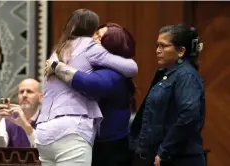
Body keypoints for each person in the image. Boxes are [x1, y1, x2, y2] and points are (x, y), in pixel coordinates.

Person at [36, 9, 138, 166]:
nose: (94, 39)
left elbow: (93, 83)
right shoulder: (86, 50)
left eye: (101, 36)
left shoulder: (59, 51)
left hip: (48, 132)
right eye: (95, 34)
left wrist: (57, 66)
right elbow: (130, 68)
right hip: (72, 132)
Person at [129, 24, 206, 166]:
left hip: (178, 158)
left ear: (181, 51)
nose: (158, 51)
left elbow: (189, 115)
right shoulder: (166, 74)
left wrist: (165, 150)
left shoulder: (186, 75)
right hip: (159, 155)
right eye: (157, 45)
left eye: (163, 46)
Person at [0, 78, 42, 147]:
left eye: (29, 91)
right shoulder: (7, 119)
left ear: (40, 98)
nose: (24, 95)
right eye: (21, 92)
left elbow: (45, 149)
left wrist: (26, 126)